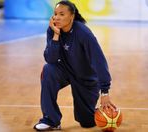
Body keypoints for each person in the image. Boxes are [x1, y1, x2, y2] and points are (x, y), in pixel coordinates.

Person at [34, 0, 116, 131]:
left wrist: (105, 92)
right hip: (65, 71)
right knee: (48, 70)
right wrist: (56, 34)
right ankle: (51, 120)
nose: (56, 17)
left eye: (61, 14)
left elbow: (99, 60)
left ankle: (103, 112)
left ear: (71, 16)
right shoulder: (52, 30)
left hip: (85, 77)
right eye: (55, 14)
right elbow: (50, 59)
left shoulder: (83, 33)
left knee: (86, 121)